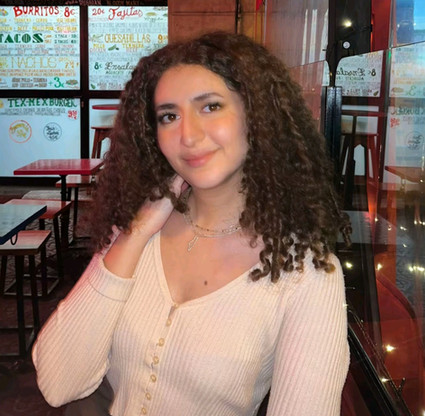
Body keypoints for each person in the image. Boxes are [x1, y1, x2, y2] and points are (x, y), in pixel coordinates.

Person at [32, 32, 350, 416]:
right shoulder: (137, 227)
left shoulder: (305, 273)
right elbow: (58, 384)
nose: (188, 135)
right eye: (169, 116)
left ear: (257, 115)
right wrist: (134, 235)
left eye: (211, 107)